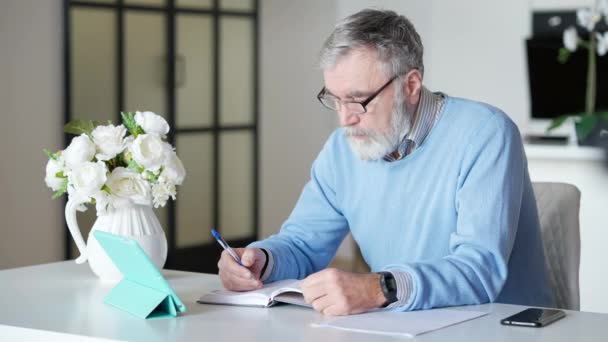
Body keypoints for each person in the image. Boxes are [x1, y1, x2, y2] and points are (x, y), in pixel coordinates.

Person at [217, 8, 555, 315]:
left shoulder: (485, 134)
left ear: (410, 85)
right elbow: (303, 245)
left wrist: (380, 287)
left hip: (501, 326)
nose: (345, 119)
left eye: (358, 100)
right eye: (334, 100)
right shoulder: (341, 150)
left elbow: (479, 271)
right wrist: (262, 260)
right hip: (403, 326)